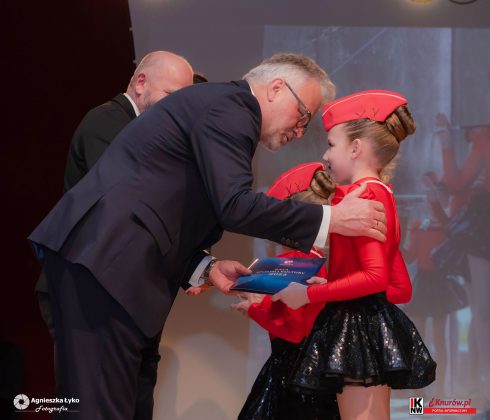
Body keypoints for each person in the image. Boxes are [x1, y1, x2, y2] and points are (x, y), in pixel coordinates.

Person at [28, 54, 387, 418]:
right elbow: (234, 205)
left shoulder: (221, 107)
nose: (299, 131)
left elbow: (167, 203)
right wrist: (331, 218)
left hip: (113, 267)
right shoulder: (233, 109)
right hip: (107, 264)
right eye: (303, 115)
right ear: (277, 88)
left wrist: (205, 267)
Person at [35, 50, 195, 419]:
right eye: (172, 95)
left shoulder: (142, 129)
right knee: (89, 405)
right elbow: (130, 202)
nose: (179, 108)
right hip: (87, 293)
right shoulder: (107, 121)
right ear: (140, 83)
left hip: (119, 293)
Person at [272, 90, 436, 419]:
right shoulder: (383, 193)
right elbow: (399, 287)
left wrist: (308, 294)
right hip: (368, 327)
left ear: (356, 148)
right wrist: (336, 285)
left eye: (332, 144)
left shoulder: (361, 197)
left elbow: (374, 278)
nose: (326, 155)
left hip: (356, 331)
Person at [234, 162, 415, 420]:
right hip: (332, 370)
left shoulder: (294, 262)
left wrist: (254, 308)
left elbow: (294, 331)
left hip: (295, 376)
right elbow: (400, 290)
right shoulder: (333, 259)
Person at [433, 113, 490, 411]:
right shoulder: (482, 139)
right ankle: (479, 387)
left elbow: (456, 184)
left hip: (479, 226)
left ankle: (479, 387)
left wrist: (446, 141)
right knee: (481, 310)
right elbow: (455, 185)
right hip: (479, 227)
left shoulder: (482, 139)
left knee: (481, 310)